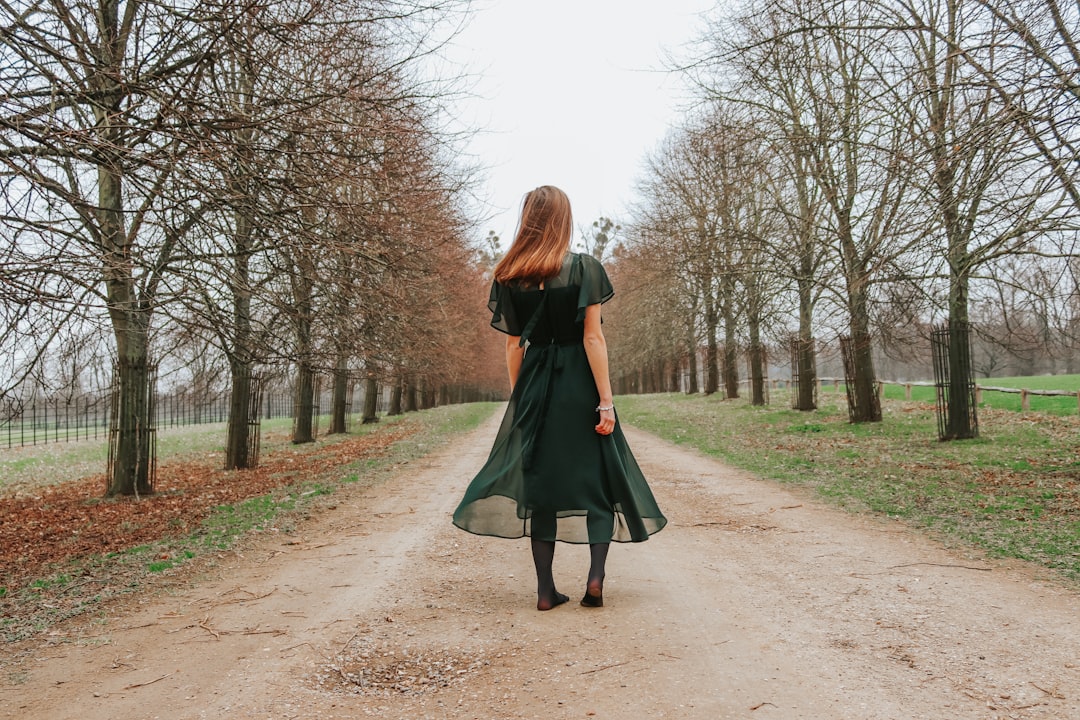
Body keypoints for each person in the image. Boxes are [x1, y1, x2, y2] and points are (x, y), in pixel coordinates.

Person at [452, 185, 666, 611]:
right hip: (580, 384)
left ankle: (545, 592)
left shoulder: (509, 276)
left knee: (541, 484)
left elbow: (514, 345)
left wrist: (523, 399)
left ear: (528, 220)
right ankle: (595, 578)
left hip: (536, 384)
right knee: (600, 479)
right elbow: (593, 338)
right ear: (563, 220)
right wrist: (605, 401)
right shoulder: (585, 269)